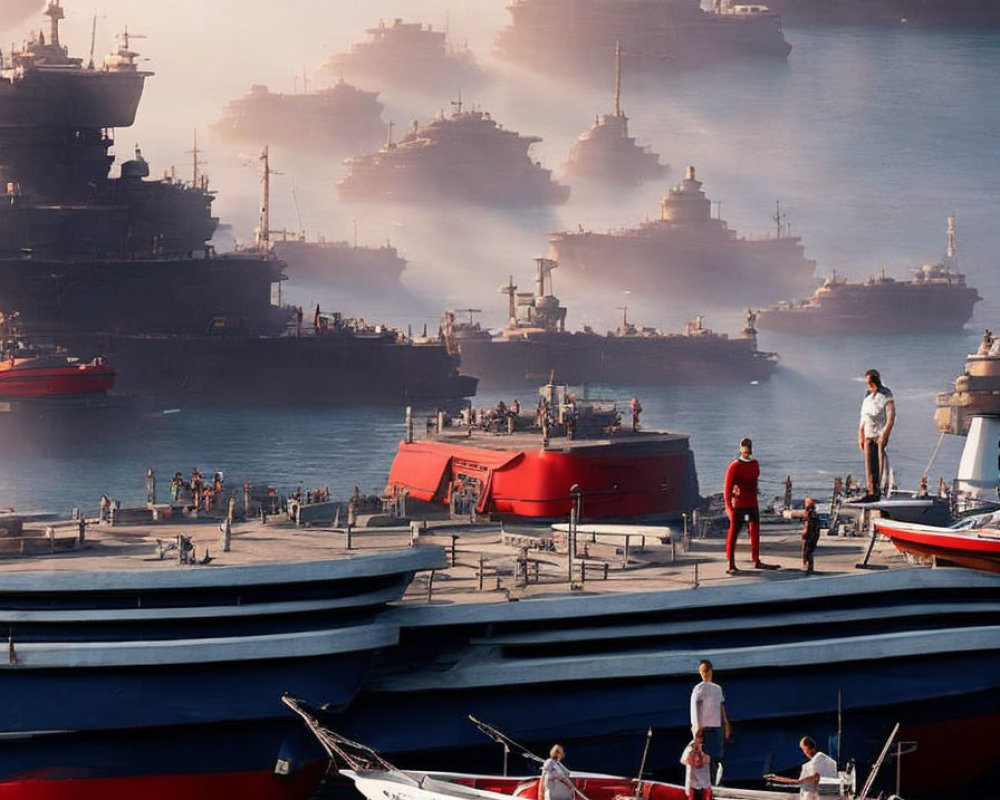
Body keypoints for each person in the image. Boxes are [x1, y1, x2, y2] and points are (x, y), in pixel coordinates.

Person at [723, 437, 776, 573]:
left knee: (755, 532)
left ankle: (756, 560)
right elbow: (727, 489)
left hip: (752, 504)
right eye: (744, 447)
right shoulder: (734, 466)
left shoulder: (754, 464)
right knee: (733, 533)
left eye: (748, 447)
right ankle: (731, 563)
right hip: (738, 506)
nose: (746, 450)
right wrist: (729, 508)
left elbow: (754, 482)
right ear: (741, 449)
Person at [690, 660, 730, 782]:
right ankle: (706, 783)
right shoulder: (699, 688)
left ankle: (714, 783)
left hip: (715, 727)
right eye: (702, 671)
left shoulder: (717, 689)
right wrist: (697, 728)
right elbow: (695, 708)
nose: (704, 673)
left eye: (705, 671)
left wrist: (726, 723)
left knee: (716, 758)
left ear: (710, 671)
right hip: (704, 728)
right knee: (705, 759)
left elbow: (720, 707)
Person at [858, 369, 895, 502]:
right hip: (868, 433)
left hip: (879, 433)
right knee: (869, 464)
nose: (870, 384)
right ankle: (871, 491)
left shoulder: (886, 394)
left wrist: (885, 433)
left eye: (871, 381)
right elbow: (863, 417)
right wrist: (860, 434)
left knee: (880, 464)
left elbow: (891, 417)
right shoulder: (867, 396)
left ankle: (880, 490)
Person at [767, 736, 838, 800]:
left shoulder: (817, 761)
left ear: (807, 748)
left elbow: (814, 777)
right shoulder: (826, 760)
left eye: (803, 749)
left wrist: (777, 778)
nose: (804, 752)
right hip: (829, 794)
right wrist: (776, 778)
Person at [680, 731, 713, 800]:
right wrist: (691, 757)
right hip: (693, 785)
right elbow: (683, 761)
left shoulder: (706, 748)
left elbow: (706, 760)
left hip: (705, 785)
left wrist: (700, 755)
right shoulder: (689, 749)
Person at [801, 497, 820, 574]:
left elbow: (808, 524)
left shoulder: (809, 513)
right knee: (809, 551)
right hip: (814, 534)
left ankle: (808, 566)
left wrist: (804, 533)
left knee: (807, 551)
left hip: (810, 534)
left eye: (806, 503)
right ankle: (809, 566)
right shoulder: (814, 513)